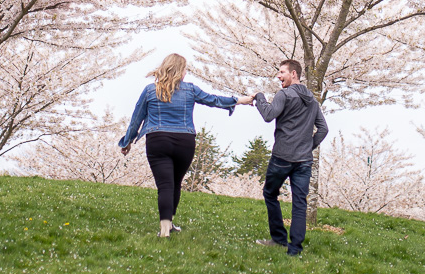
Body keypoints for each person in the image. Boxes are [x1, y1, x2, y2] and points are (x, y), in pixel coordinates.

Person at [119, 53, 238, 238]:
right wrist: (237, 100)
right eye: (185, 69)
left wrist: (127, 141)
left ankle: (165, 229)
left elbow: (137, 118)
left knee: (165, 185)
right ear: (180, 71)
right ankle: (170, 224)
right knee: (175, 183)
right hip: (185, 141)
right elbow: (213, 100)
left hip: (158, 140)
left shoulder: (150, 90)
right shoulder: (190, 90)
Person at [238, 58, 328, 257]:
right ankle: (294, 249)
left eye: (282, 72)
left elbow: (269, 115)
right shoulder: (312, 100)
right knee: (299, 202)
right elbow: (323, 129)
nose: (278, 76)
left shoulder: (285, 95)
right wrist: (308, 146)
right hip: (304, 160)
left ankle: (278, 238)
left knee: (270, 194)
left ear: (293, 74)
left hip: (282, 157)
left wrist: (259, 97)